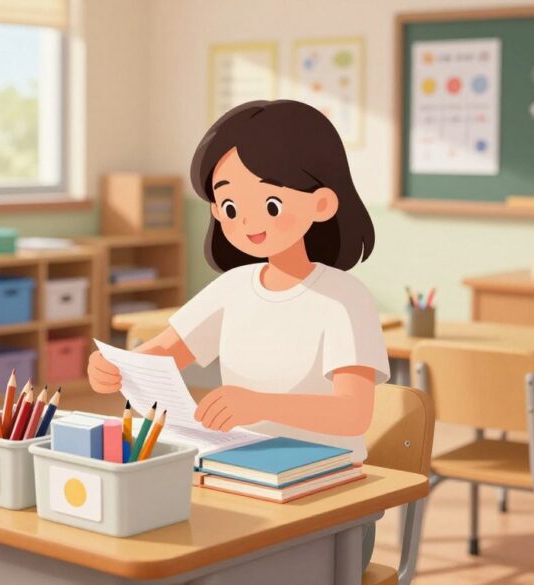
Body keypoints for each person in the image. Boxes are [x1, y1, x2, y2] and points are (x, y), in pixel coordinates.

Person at [88, 100, 389, 567]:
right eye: (230, 206)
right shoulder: (233, 288)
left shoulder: (344, 298)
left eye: (270, 204)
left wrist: (258, 404)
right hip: (239, 484)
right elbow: (164, 352)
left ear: (323, 202)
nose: (247, 222)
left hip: (328, 506)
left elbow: (354, 413)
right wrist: (114, 367)